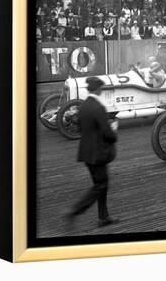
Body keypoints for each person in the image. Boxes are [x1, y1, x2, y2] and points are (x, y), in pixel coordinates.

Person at [67, 77, 119, 227]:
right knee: (100, 186)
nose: (102, 90)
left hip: (86, 153)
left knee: (101, 184)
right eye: (101, 88)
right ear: (97, 89)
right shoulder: (98, 107)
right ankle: (74, 211)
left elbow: (79, 129)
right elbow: (108, 134)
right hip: (98, 154)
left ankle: (103, 218)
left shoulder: (83, 106)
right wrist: (114, 130)